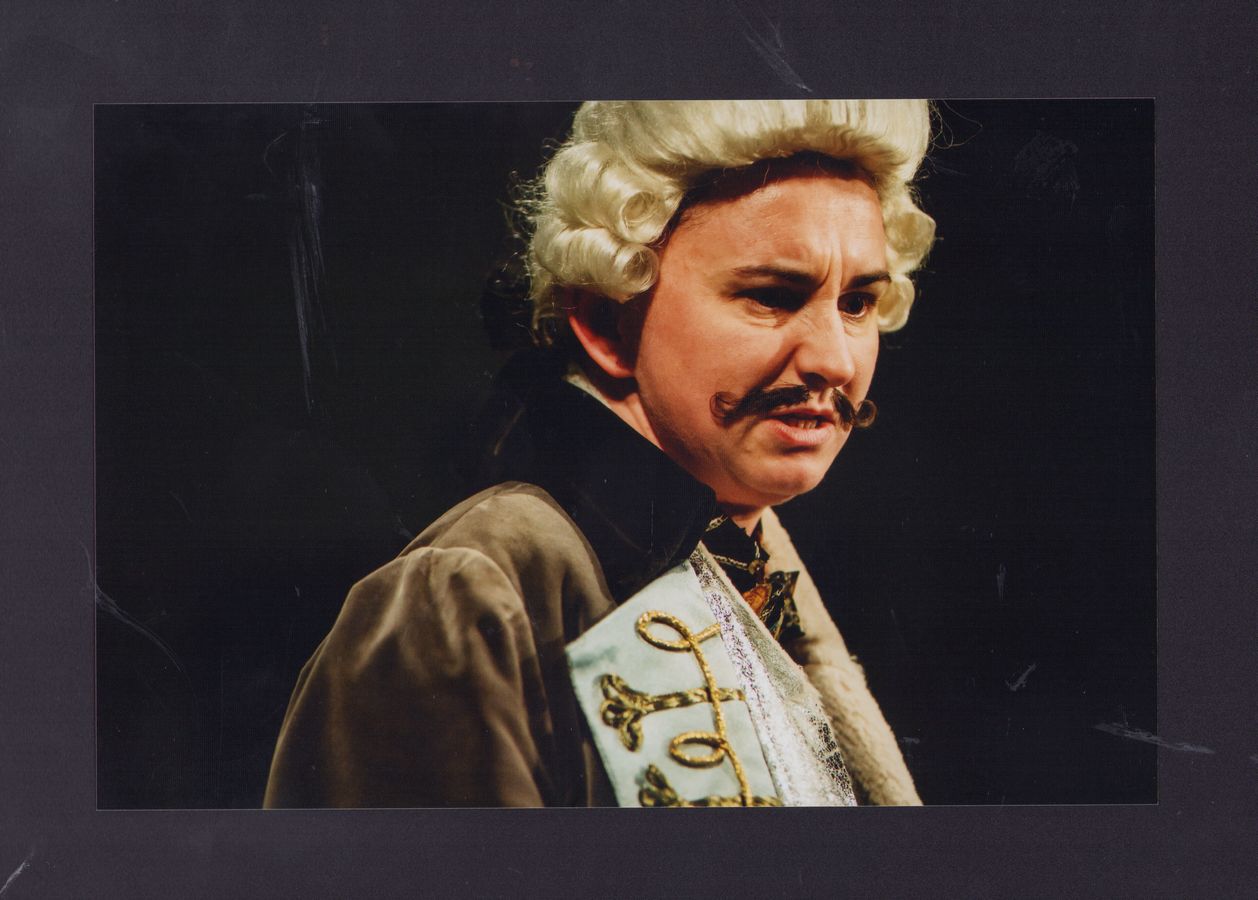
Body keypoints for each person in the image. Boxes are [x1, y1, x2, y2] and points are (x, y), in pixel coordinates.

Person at [264, 100, 936, 808]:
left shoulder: (760, 575)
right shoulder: (467, 596)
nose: (835, 360)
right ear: (607, 320)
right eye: (771, 296)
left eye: (858, 304)